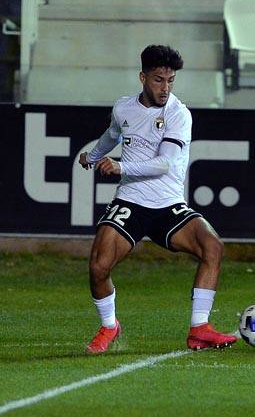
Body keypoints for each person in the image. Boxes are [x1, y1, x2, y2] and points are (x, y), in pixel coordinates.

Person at [78, 44, 236, 354]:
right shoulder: (124, 108)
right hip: (131, 201)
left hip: (168, 204)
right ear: (143, 77)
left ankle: (199, 328)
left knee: (212, 247)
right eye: (158, 80)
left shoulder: (178, 114)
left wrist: (120, 165)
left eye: (170, 80)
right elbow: (112, 134)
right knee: (98, 267)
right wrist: (93, 155)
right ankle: (109, 325)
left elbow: (164, 163)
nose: (165, 88)